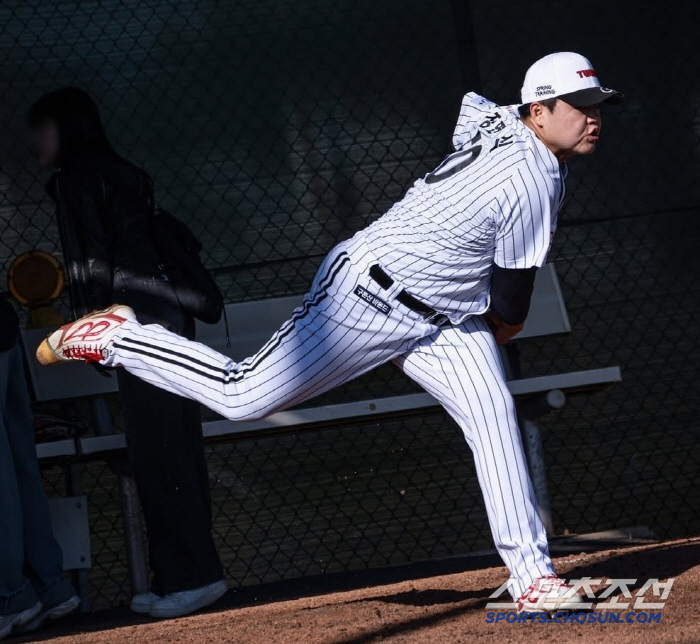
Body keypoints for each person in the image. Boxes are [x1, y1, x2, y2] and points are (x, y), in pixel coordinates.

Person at [37, 53, 623, 614]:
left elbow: (475, 110)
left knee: (493, 414)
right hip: (369, 294)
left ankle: (533, 579)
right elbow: (513, 303)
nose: (592, 114)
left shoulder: (507, 123)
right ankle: (119, 336)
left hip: (438, 316)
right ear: (539, 111)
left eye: (597, 101)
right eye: (577, 103)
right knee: (243, 397)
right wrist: (498, 330)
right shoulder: (531, 178)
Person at [28, 88, 226, 619]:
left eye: (41, 127)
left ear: (65, 127)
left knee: (158, 452)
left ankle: (190, 578)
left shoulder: (77, 179)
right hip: (167, 317)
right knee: (176, 446)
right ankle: (189, 574)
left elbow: (91, 264)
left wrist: (93, 333)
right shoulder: (122, 173)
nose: (35, 141)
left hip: (132, 323)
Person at [0, 294, 79, 639]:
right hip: (2, 329)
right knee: (17, 465)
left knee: (8, 470)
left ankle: (11, 595)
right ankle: (48, 588)